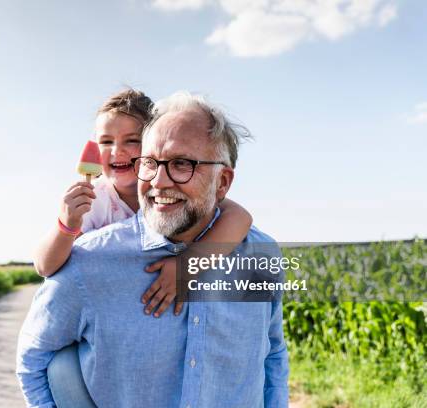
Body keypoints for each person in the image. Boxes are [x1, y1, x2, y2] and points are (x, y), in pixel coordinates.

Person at [17, 91, 289, 408]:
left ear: (222, 183)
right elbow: (34, 358)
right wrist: (65, 226)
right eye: (150, 163)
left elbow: (272, 354)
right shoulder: (89, 253)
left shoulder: (259, 255)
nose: (159, 181)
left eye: (181, 164)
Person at [34, 88, 253, 317]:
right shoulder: (94, 199)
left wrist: (188, 265)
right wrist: (66, 225)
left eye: (132, 141)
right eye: (106, 141)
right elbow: (44, 266)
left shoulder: (181, 194)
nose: (117, 151)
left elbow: (240, 218)